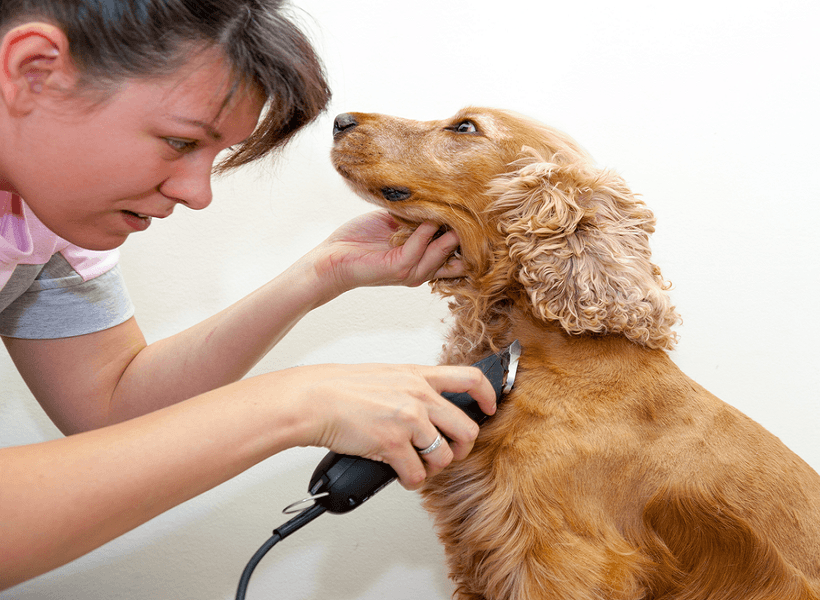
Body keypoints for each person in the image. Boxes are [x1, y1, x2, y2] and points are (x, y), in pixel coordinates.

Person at [0, 0, 495, 590]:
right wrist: (293, 405)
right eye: (182, 142)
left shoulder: (45, 221)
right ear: (32, 70)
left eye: (219, 156)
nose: (196, 192)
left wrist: (321, 275)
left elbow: (110, 410)